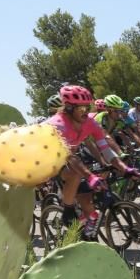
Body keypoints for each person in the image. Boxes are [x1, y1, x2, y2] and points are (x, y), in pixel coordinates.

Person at [47, 85, 112, 238]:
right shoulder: (55, 125)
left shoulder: (83, 122)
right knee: (75, 175)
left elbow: (91, 142)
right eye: (80, 109)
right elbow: (68, 156)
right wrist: (89, 175)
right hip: (53, 162)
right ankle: (68, 210)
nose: (84, 112)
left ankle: (86, 230)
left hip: (73, 160)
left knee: (88, 202)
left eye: (86, 108)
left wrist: (104, 162)